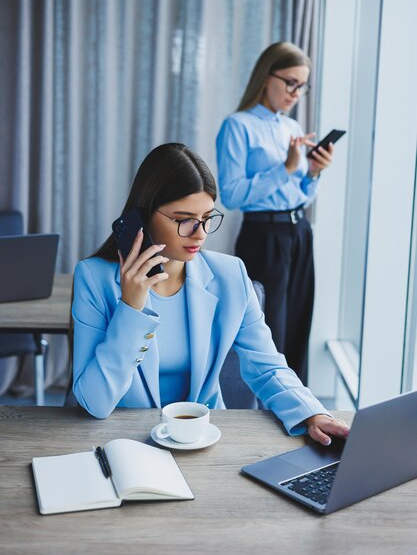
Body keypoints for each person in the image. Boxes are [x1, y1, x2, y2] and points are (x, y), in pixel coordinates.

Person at [72, 142, 348, 446]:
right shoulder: (94, 278)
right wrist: (131, 307)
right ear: (144, 215)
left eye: (207, 218)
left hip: (203, 441)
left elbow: (267, 366)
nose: (200, 233)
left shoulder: (231, 275)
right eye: (184, 219)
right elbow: (94, 402)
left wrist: (312, 414)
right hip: (125, 444)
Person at [216, 41, 333, 384]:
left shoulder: (292, 128)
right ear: (267, 77)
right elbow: (232, 195)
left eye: (303, 85)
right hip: (263, 237)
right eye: (290, 83)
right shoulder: (237, 126)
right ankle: (260, 415)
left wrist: (312, 173)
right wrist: (285, 168)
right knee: (267, 331)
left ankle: (298, 415)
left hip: (299, 233)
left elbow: (298, 195)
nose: (296, 93)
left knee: (297, 324)